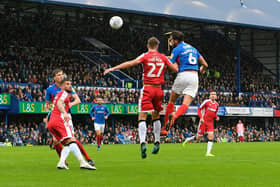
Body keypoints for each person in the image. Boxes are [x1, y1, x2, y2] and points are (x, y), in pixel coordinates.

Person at [104, 37, 178, 159]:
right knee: (156, 116)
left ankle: (143, 142)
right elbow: (175, 69)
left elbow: (130, 63)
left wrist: (113, 68)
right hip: (159, 89)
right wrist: (171, 60)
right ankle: (157, 141)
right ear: (157, 46)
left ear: (148, 45)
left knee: (142, 116)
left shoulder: (145, 56)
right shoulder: (163, 57)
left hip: (148, 88)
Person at [161, 31, 208, 135]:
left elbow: (171, 63)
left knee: (171, 101)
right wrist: (202, 69)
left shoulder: (177, 49)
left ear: (176, 40)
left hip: (182, 75)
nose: (171, 41)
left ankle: (165, 128)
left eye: (172, 39)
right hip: (194, 76)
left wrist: (164, 61)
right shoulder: (193, 49)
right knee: (185, 104)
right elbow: (205, 64)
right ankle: (175, 115)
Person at [45, 69, 94, 166]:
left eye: (62, 74)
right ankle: (63, 162)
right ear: (54, 77)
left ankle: (87, 158)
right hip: (56, 116)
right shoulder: (50, 89)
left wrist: (69, 105)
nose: (61, 76)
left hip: (66, 116)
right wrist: (49, 111)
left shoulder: (68, 86)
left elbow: (78, 100)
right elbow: (47, 105)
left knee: (71, 139)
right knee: (57, 140)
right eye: (58, 75)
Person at [183, 91, 219, 157]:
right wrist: (201, 118)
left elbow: (214, 114)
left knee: (211, 136)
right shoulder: (206, 102)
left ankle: (208, 153)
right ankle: (188, 139)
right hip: (203, 122)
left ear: (216, 96)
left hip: (210, 123)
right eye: (212, 94)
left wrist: (216, 117)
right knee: (198, 138)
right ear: (209, 96)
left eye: (214, 94)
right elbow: (199, 110)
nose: (213, 95)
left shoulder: (216, 105)